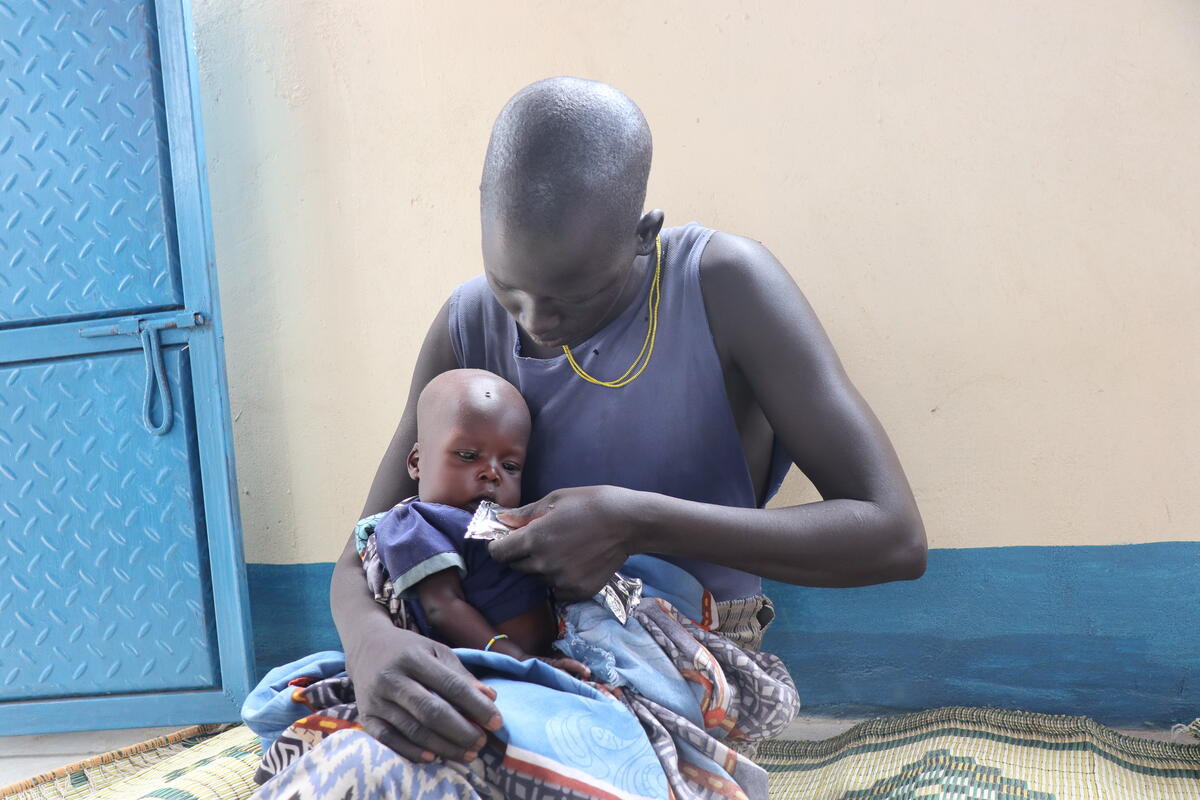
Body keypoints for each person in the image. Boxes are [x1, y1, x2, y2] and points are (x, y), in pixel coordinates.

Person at [329, 76, 928, 767]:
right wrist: (372, 643)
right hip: (492, 635)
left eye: (571, 298)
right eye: (509, 290)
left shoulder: (727, 287)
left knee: (543, 765)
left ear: (644, 235)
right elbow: (367, 543)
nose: (536, 323)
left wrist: (638, 522)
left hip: (668, 651)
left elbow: (893, 535)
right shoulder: (464, 325)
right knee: (368, 758)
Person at [363, 368, 588, 678]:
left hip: (562, 643)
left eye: (510, 466)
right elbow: (442, 605)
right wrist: (514, 657)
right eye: (468, 455)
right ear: (417, 462)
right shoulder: (416, 522)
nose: (491, 473)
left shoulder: (506, 518)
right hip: (489, 666)